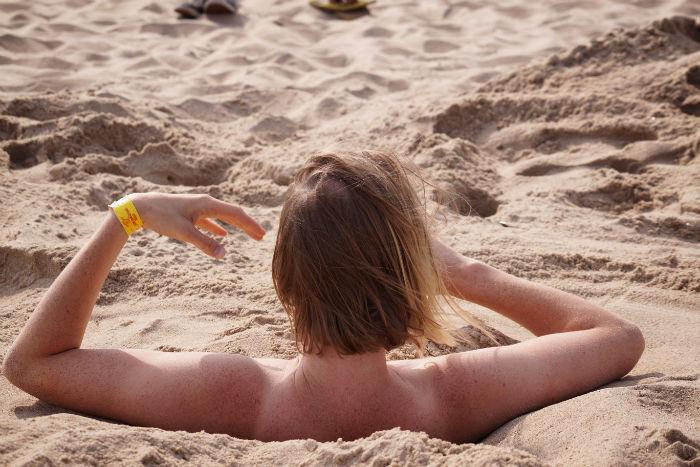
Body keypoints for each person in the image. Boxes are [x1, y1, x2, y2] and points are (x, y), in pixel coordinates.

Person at [3, 151, 644, 443]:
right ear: (413, 280)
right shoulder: (455, 395)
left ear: (285, 285)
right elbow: (616, 337)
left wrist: (128, 215)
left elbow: (35, 363)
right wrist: (465, 272)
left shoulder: (231, 394)